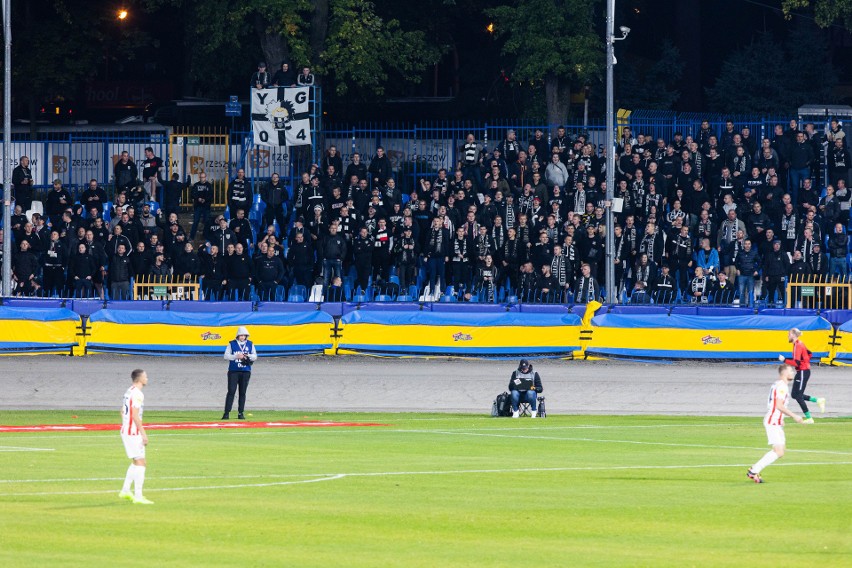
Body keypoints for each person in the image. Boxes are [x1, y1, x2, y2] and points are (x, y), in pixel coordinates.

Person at [747, 364, 804, 484]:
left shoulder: (778, 384)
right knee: (778, 451)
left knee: (780, 451)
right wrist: (794, 416)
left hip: (775, 420)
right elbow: (779, 405)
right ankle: (753, 471)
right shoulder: (782, 386)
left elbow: (775, 404)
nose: (793, 372)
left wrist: (781, 417)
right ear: (784, 373)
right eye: (790, 371)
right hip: (772, 421)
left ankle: (754, 470)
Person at [119, 369, 153, 504]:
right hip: (132, 432)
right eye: (146, 376)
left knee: (136, 461)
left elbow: (122, 411)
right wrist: (143, 433)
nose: (147, 378)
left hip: (126, 430)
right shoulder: (138, 394)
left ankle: (125, 490)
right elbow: (135, 415)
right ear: (139, 379)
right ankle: (138, 496)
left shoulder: (129, 391)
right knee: (141, 463)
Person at [779, 328, 825, 423]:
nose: (788, 335)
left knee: (798, 396)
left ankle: (809, 418)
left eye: (789, 334)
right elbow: (810, 353)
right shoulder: (799, 343)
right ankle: (818, 400)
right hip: (802, 371)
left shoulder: (798, 345)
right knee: (794, 394)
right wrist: (806, 361)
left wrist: (784, 360)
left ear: (794, 335)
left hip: (803, 371)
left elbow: (796, 363)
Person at [222, 326, 258, 420]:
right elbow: (226, 356)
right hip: (233, 371)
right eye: (240, 335)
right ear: (237, 336)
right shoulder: (232, 344)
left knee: (242, 393)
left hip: (245, 371)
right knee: (231, 392)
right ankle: (226, 413)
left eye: (244, 335)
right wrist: (236, 356)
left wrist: (248, 355)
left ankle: (240, 413)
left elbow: (255, 356)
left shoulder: (250, 344)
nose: (242, 337)